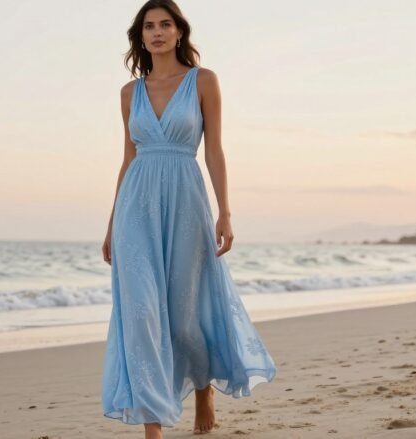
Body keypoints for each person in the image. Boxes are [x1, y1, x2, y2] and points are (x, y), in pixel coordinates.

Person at [100, 1, 277, 437]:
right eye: (149, 26)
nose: (157, 32)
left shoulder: (203, 81)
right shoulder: (130, 93)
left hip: (186, 200)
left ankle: (203, 388)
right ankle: (152, 427)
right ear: (140, 37)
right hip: (135, 207)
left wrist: (226, 211)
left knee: (183, 318)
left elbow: (214, 149)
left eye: (166, 25)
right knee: (141, 313)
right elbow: (128, 159)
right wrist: (110, 223)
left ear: (180, 32)